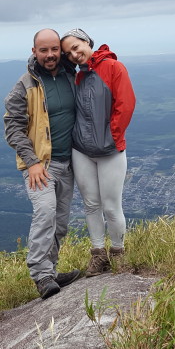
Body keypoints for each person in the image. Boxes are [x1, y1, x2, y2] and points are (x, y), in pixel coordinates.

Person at [4, 29, 83, 299]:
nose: (50, 55)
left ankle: (51, 271)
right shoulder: (25, 85)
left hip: (68, 163)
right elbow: (13, 127)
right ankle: (40, 275)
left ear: (60, 50)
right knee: (46, 212)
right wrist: (33, 162)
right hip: (40, 166)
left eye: (54, 49)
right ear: (34, 51)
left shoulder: (71, 75)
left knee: (60, 223)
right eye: (44, 50)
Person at [60, 28, 136, 276]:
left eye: (75, 47)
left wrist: (112, 137)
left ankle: (118, 252)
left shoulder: (114, 68)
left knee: (111, 206)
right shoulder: (77, 76)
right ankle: (98, 254)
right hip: (81, 150)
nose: (74, 54)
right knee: (91, 204)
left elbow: (125, 105)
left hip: (110, 150)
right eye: (68, 53)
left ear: (86, 42)